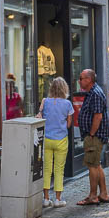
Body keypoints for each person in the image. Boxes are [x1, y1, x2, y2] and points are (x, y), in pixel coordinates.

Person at [76, 69, 109, 205]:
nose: (79, 80)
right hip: (94, 135)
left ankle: (92, 196)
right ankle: (104, 194)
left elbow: (98, 116)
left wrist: (91, 134)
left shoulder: (95, 93)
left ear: (89, 80)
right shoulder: (93, 92)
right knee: (97, 165)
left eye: (81, 78)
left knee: (92, 165)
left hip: (94, 136)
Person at [38, 77, 73, 208]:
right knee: (59, 169)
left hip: (47, 139)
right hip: (61, 139)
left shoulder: (45, 101)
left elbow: (40, 116)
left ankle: (46, 199)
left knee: (47, 169)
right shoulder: (67, 104)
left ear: (51, 88)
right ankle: (58, 199)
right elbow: (69, 124)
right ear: (65, 89)